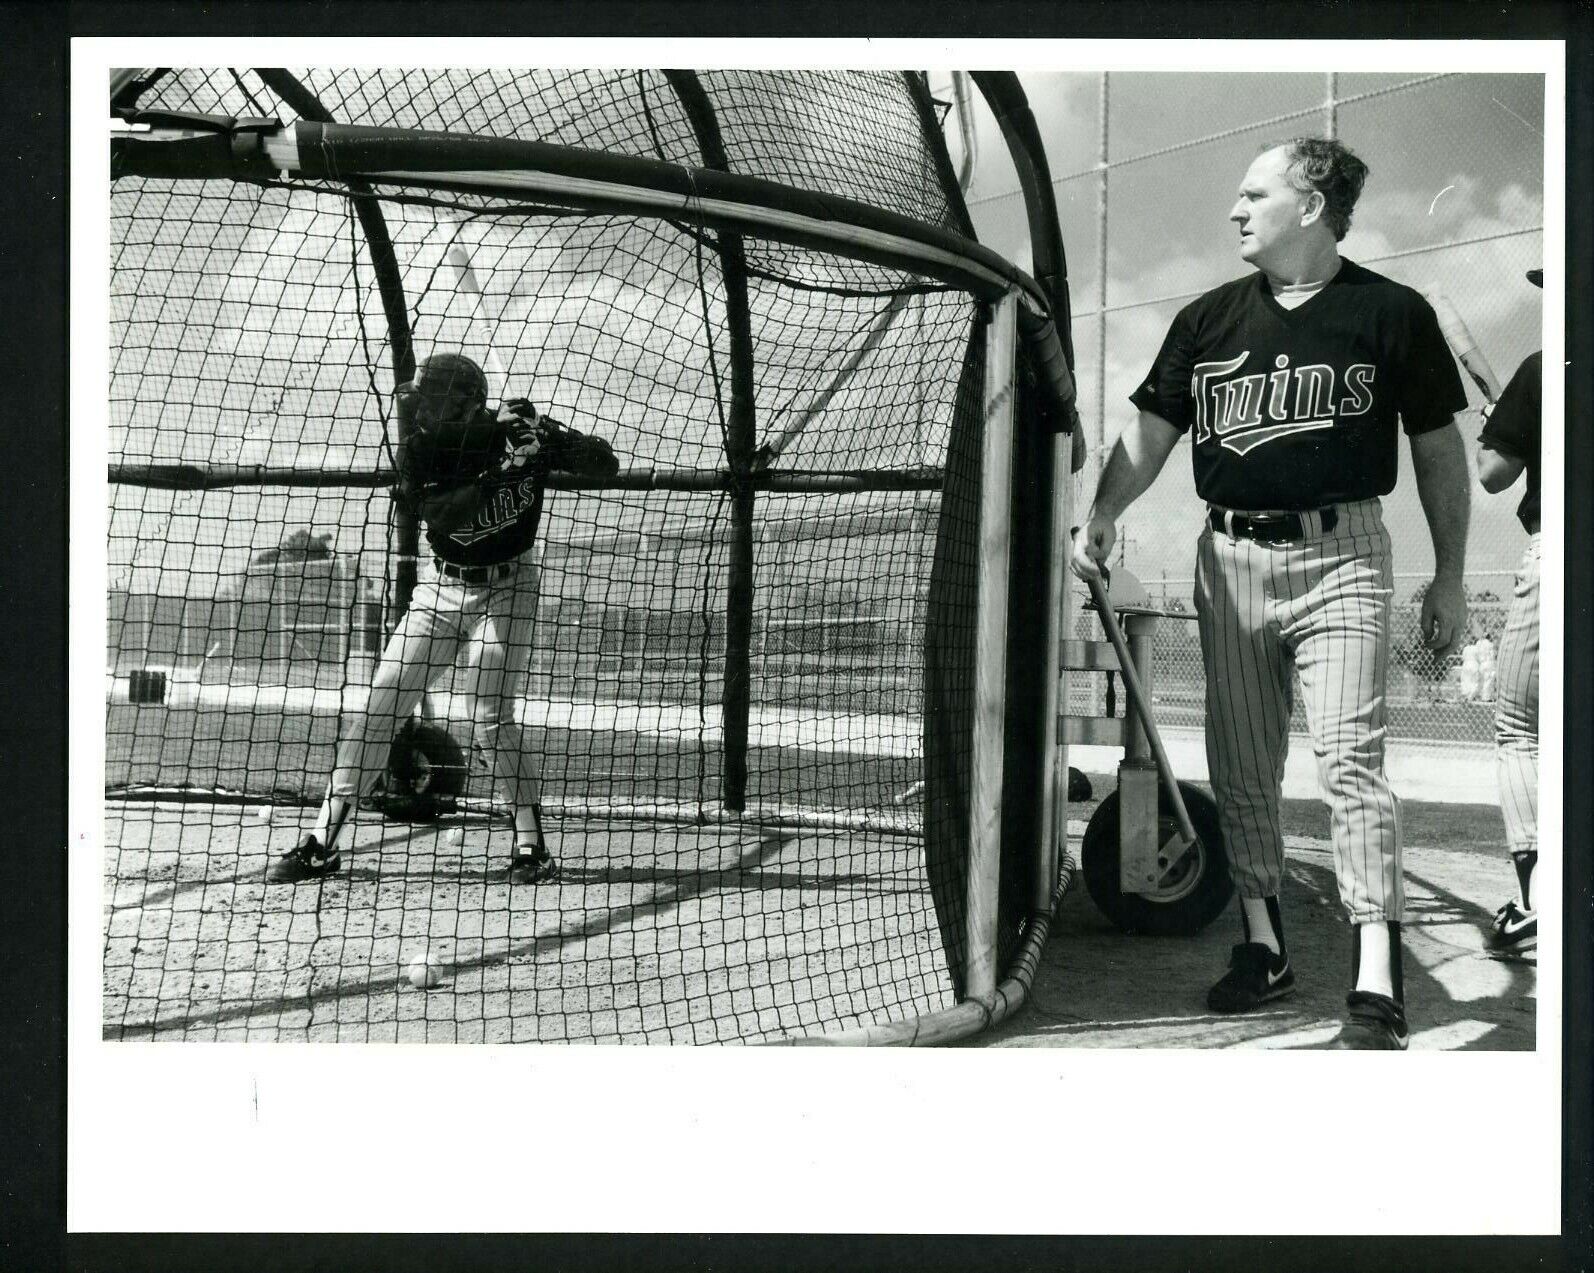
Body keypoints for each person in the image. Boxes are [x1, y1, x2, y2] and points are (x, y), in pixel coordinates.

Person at [1071, 138, 1471, 1049]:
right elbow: (1151, 434)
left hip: (1346, 554)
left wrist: (1449, 573)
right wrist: (1101, 512)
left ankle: (1376, 978)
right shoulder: (1207, 319)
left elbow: (1438, 449)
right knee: (1244, 765)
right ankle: (1264, 946)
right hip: (1232, 558)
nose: (1235, 210)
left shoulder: (1390, 312)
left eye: (1255, 193)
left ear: (1314, 204)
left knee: (1350, 761)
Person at [268, 352, 620, 885]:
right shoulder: (420, 450)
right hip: (441, 588)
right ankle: (323, 842)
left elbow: (604, 464)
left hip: (510, 586)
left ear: (466, 403)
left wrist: (548, 438)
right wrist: (504, 469)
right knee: (380, 706)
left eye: (434, 402)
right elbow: (448, 513)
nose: (424, 411)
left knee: (491, 717)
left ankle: (532, 850)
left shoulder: (515, 429)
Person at [1477, 268, 1543, 955]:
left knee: (1522, 729)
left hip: (1561, 553)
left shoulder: (1544, 364)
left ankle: (1538, 898)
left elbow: (1495, 474)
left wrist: (1492, 438)